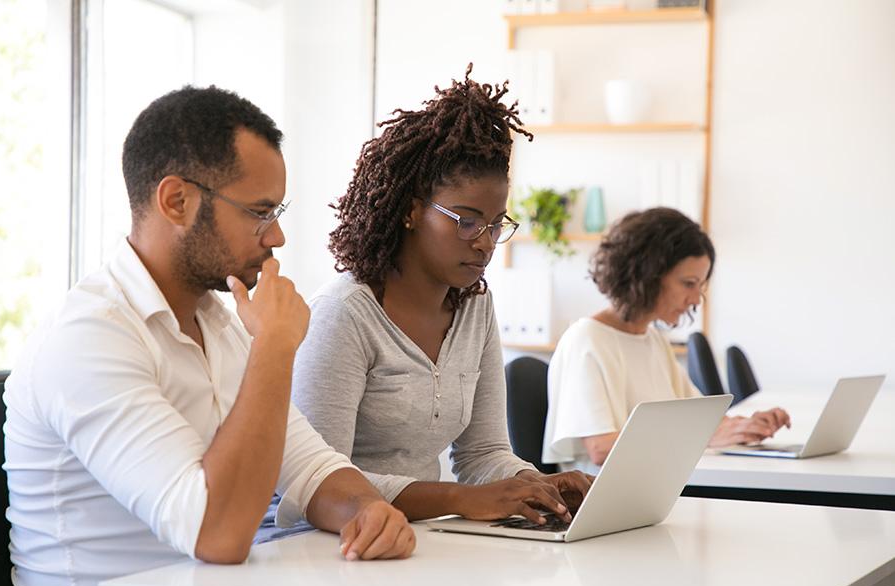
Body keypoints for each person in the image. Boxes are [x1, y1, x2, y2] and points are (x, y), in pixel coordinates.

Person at [4, 86, 414, 586]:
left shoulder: (217, 320)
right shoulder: (88, 338)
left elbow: (310, 465)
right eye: (259, 212)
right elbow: (214, 534)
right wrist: (275, 346)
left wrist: (366, 510)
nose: (277, 236)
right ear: (177, 201)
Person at [289, 65, 592, 526]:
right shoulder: (344, 314)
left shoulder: (475, 305)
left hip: (426, 541)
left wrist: (535, 486)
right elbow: (317, 482)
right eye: (467, 221)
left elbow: (483, 452)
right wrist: (459, 499)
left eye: (495, 224)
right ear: (412, 212)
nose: (485, 241)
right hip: (333, 547)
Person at [542, 207, 791, 471]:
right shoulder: (587, 339)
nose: (696, 299)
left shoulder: (653, 339)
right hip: (607, 499)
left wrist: (749, 425)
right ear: (647, 275)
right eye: (688, 283)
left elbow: (700, 422)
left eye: (700, 286)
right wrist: (706, 437)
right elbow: (601, 448)